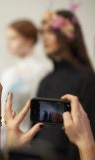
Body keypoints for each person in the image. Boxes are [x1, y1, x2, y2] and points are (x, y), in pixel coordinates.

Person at [36, 9, 95, 159]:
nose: (44, 38)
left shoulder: (86, 79)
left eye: (50, 31)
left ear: (67, 34)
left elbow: (88, 133)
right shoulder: (45, 81)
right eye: (42, 32)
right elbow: (37, 128)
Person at [1, 19, 48, 148]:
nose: (8, 44)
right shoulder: (9, 72)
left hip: (25, 136)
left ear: (29, 40)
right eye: (8, 39)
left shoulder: (41, 72)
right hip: (3, 136)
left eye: (14, 38)